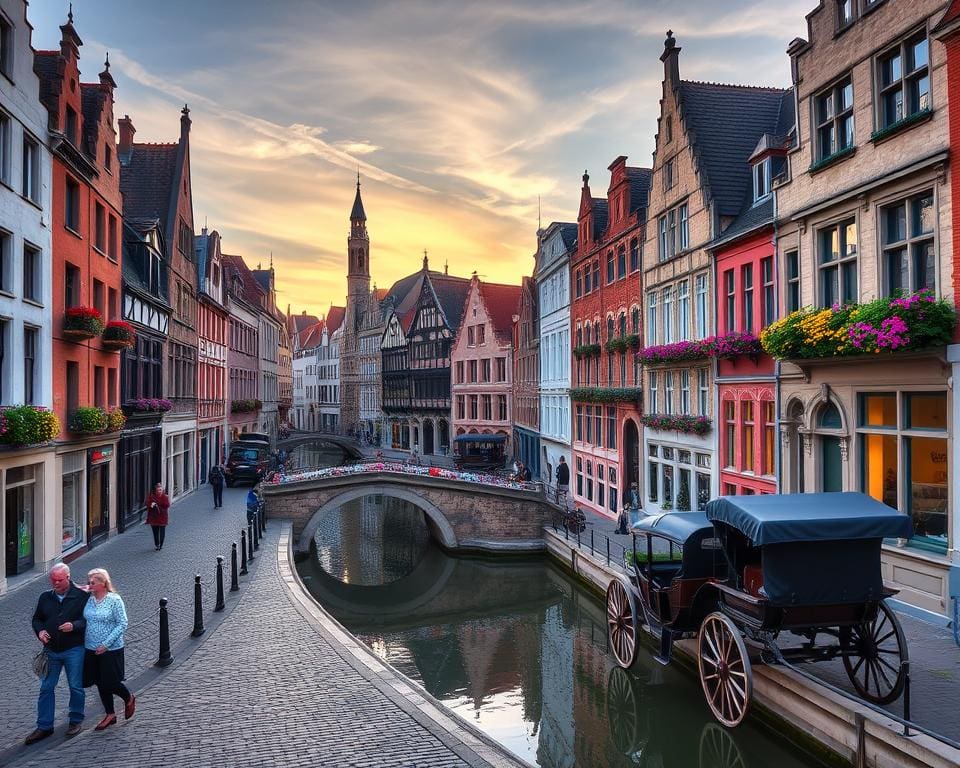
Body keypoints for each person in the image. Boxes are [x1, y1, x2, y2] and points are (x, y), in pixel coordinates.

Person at [26, 563, 90, 744]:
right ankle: (44, 726)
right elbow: (37, 619)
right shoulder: (45, 597)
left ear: (68, 578)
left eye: (59, 580)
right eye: (52, 580)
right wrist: (40, 632)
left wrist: (74, 626)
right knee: (46, 687)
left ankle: (75, 720)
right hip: (51, 650)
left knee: (75, 686)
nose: (55, 583)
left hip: (74, 649)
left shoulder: (81, 596)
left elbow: (87, 619)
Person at [82, 569, 134, 731]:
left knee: (110, 682)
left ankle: (128, 697)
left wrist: (106, 644)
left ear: (103, 583)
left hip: (110, 649)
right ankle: (110, 714)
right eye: (89, 582)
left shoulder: (114, 600)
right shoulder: (89, 600)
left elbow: (122, 623)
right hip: (91, 648)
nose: (89, 585)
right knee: (99, 682)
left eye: (93, 582)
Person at [145, 483, 170, 551]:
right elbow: (147, 503)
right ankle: (157, 544)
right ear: (156, 490)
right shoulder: (152, 497)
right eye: (158, 490)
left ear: (162, 490)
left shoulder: (165, 497)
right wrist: (151, 504)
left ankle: (161, 544)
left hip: (162, 517)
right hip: (154, 517)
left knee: (162, 532)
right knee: (155, 532)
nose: (159, 491)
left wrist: (159, 504)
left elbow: (167, 505)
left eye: (160, 490)